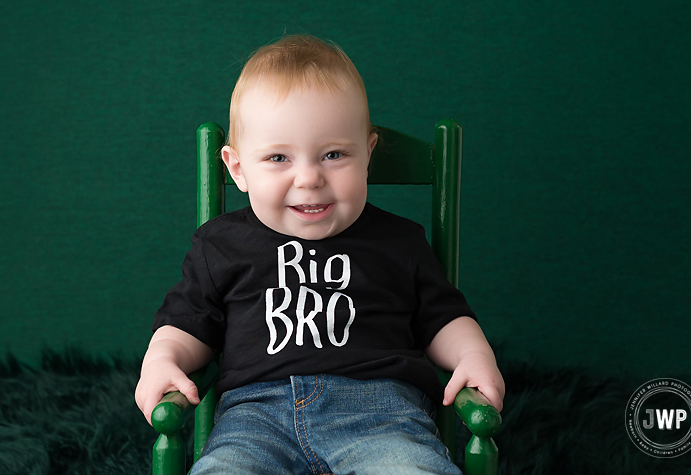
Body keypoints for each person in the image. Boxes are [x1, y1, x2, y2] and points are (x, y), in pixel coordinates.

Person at [135, 34, 505, 474]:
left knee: (412, 468)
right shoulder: (222, 245)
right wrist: (162, 359)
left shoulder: (399, 241)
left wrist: (473, 355)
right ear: (238, 169)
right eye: (277, 158)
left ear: (367, 154)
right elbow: (187, 321)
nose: (309, 178)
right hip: (254, 417)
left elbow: (443, 317)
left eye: (333, 154)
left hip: (381, 415)